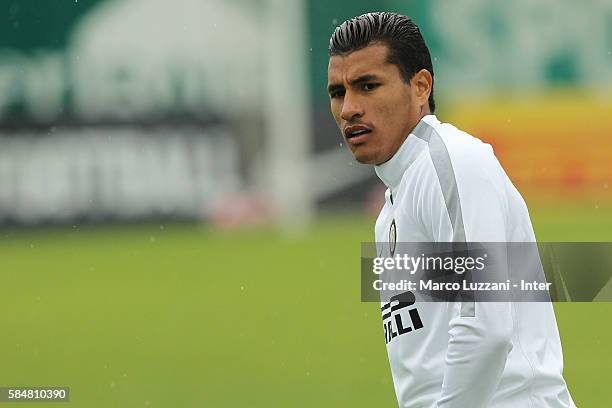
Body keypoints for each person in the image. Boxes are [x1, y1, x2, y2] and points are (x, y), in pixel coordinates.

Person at [327, 12, 576, 407]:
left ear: (421, 86)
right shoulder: (393, 206)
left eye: (368, 86)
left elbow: (486, 326)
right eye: (338, 92)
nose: (348, 109)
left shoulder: (452, 163)